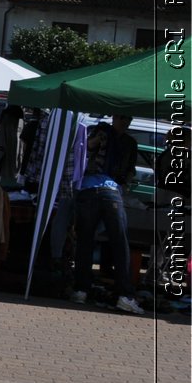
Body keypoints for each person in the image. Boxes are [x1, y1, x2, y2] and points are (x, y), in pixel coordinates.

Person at [71, 114, 145, 314]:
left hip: (98, 190)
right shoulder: (100, 131)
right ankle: (121, 294)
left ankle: (82, 290)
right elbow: (87, 149)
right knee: (116, 242)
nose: (125, 123)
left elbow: (129, 170)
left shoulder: (129, 142)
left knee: (90, 241)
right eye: (122, 119)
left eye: (128, 120)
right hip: (104, 191)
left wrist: (124, 183)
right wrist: (100, 137)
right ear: (114, 118)